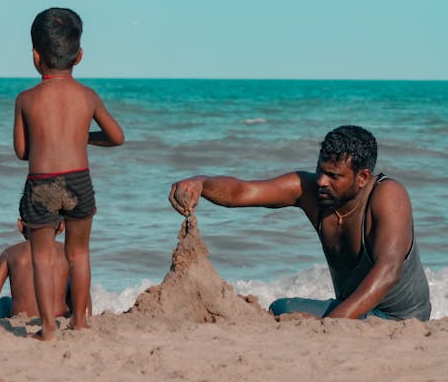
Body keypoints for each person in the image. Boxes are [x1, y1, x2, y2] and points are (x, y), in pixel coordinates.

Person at [169, 125, 431, 321]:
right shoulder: (311, 192)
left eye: (333, 176)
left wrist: (331, 325)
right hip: (354, 311)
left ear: (362, 177)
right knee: (282, 309)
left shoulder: (387, 195)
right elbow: (242, 192)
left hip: (401, 319)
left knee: (286, 313)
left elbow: (389, 270)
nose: (321, 181)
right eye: (320, 170)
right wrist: (201, 183)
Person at [14, 7, 124, 340]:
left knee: (43, 257)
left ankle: (48, 329)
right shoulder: (88, 97)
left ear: (36, 56)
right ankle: (79, 322)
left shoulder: (26, 99)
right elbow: (117, 137)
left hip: (41, 184)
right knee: (79, 253)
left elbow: (22, 152)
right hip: (79, 181)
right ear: (79, 55)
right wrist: (82, 138)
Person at [0, 218, 70, 319]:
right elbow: (83, 297)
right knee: (71, 286)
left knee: (3, 302)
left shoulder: (10, 253)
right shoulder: (67, 251)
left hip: (22, 317)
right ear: (61, 226)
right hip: (58, 316)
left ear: (20, 225)